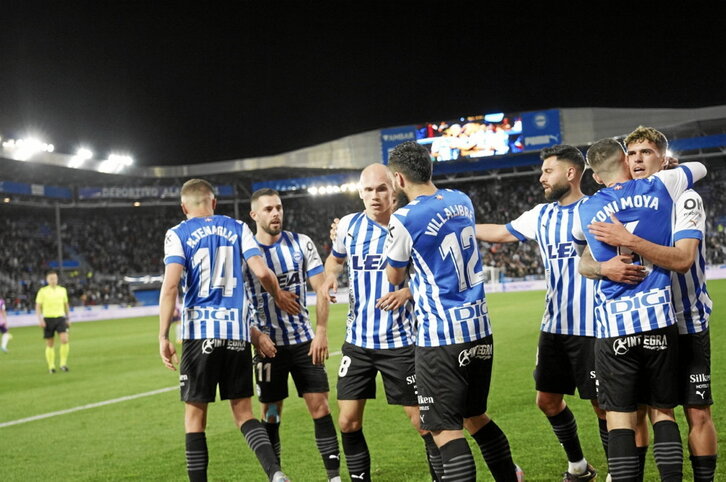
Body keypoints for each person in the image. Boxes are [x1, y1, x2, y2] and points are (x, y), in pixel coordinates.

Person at [580, 126, 717, 482]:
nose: (639, 159)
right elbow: (584, 261)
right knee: (646, 412)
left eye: (646, 153)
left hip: (686, 319)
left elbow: (683, 259)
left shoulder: (684, 197)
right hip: (656, 318)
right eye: (633, 153)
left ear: (664, 158)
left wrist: (629, 240)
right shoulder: (651, 192)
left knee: (696, 413)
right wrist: (602, 266)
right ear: (625, 160)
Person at [385, 141, 521, 482]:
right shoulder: (462, 201)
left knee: (446, 431)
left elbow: (393, 275)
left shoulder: (404, 218)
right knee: (476, 416)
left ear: (398, 179)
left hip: (441, 338)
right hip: (479, 331)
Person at [158, 178, 300, 482]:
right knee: (244, 414)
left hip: (199, 335)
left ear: (184, 207)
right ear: (214, 202)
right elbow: (262, 271)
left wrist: (162, 336)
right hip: (236, 335)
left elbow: (170, 285)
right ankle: (274, 473)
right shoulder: (237, 227)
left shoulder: (178, 233)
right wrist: (279, 296)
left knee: (195, 418)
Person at [474, 144, 602, 481]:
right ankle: (578, 466)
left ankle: (618, 471)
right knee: (547, 400)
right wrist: (457, 227)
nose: (541, 177)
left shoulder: (596, 209)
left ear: (571, 173)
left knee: (604, 405)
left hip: (594, 326)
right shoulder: (540, 215)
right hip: (555, 327)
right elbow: (501, 232)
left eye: (548, 171)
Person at [321, 163, 443, 482]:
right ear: (360, 193)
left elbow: (438, 277)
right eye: (368, 190)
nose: (375, 196)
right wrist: (330, 277)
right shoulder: (349, 226)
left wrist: (407, 292)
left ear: (394, 190)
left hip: (400, 343)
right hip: (358, 343)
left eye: (381, 189)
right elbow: (334, 260)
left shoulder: (411, 224)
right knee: (347, 422)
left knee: (423, 423)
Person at [244, 188, 341, 482]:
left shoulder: (301, 244)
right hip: (267, 347)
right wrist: (254, 335)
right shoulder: (245, 252)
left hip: (302, 342)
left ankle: (334, 477)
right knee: (271, 413)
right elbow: (236, 301)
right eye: (269, 209)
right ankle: (276, 476)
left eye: (279, 208)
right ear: (254, 215)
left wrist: (321, 330)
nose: (276, 213)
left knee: (320, 406)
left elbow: (321, 288)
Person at [36, 270, 70, 373]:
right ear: (47, 280)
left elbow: (66, 305)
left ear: (57, 279)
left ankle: (63, 364)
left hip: (60, 318)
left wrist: (68, 318)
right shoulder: (42, 291)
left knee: (64, 340)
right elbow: (38, 306)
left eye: (55, 278)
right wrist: (40, 319)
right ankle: (51, 366)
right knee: (50, 343)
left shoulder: (62, 290)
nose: (53, 280)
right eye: (51, 279)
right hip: (48, 318)